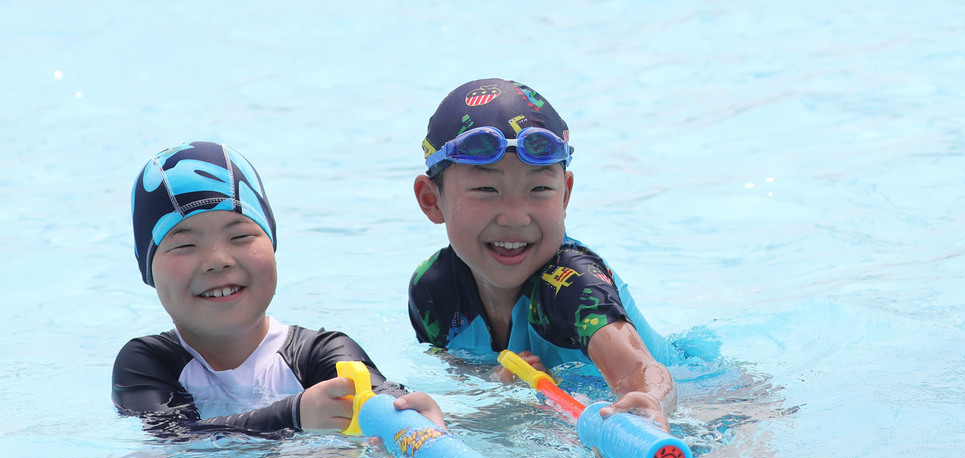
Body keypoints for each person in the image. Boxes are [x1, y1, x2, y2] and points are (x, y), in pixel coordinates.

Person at [113, 140, 443, 437]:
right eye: (185, 244)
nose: (218, 260)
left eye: (240, 236)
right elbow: (177, 439)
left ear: (272, 245)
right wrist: (294, 414)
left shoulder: (318, 354)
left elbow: (378, 394)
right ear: (148, 269)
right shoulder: (145, 363)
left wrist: (405, 411)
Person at [409, 79, 677, 430]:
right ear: (431, 200)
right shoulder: (434, 293)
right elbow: (463, 375)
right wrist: (496, 383)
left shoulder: (572, 283)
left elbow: (639, 370)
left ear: (564, 195)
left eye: (539, 189)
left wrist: (648, 402)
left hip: (710, 401)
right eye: (486, 189)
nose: (515, 217)